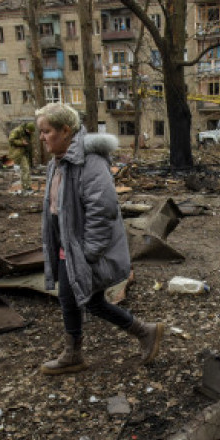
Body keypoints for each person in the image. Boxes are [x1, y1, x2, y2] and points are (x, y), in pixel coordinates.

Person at [36, 103, 164, 375]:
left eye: (46, 131)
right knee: (77, 299)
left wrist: (89, 252)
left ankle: (136, 334)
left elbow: (103, 209)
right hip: (67, 246)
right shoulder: (57, 162)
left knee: (81, 299)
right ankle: (139, 333)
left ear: (65, 130)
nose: (42, 137)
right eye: (41, 132)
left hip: (81, 248)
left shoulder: (90, 162)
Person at [8, 122, 35, 193]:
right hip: (19, 153)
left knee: (27, 169)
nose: (31, 133)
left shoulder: (29, 134)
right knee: (25, 169)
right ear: (26, 129)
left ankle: (28, 186)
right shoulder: (17, 131)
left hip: (26, 153)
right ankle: (26, 187)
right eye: (30, 131)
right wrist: (21, 143)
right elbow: (11, 140)